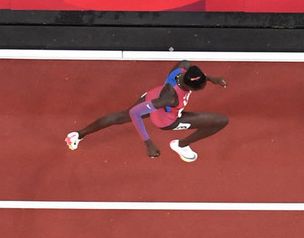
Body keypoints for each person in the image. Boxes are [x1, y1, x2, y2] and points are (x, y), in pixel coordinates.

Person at [66, 60, 228, 162]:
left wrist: (212, 79)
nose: (205, 85)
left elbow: (193, 71)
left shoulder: (182, 68)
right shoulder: (171, 99)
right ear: (192, 87)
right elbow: (135, 113)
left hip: (152, 96)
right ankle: (181, 145)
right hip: (165, 119)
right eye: (203, 84)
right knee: (220, 121)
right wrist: (148, 143)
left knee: (120, 116)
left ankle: (77, 134)